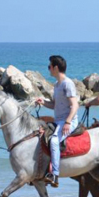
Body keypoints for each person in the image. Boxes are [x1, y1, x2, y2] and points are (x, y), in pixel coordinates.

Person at [35, 55, 79, 188]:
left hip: (68, 121)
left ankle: (54, 174)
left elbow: (75, 105)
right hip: (58, 121)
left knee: (54, 140)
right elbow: (54, 105)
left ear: (55, 68)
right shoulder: (56, 85)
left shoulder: (67, 83)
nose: (48, 69)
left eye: (49, 66)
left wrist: (67, 122)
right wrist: (43, 102)